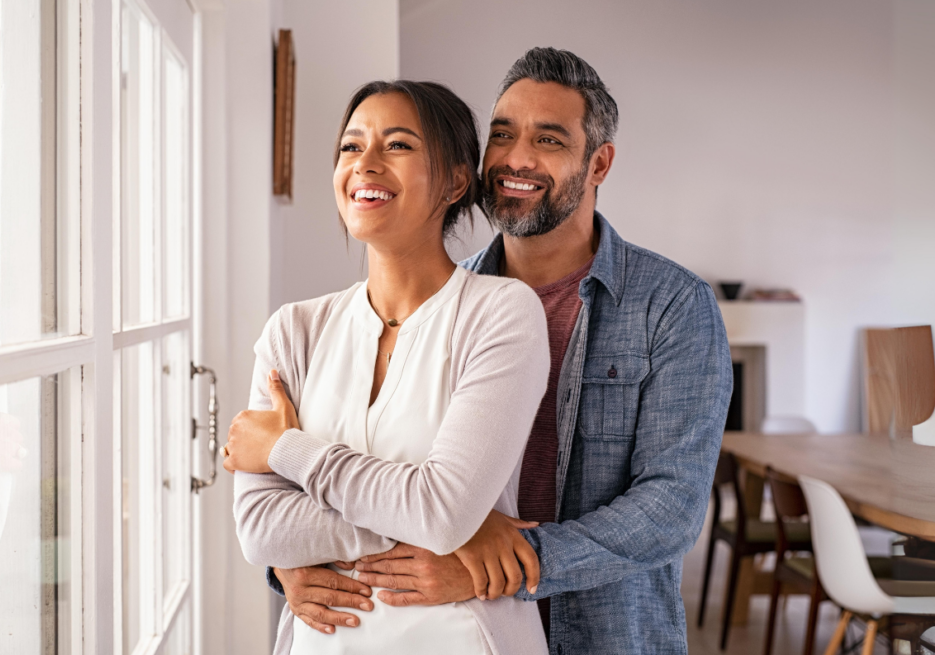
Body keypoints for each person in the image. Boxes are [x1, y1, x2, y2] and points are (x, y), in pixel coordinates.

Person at [275, 48, 733, 654]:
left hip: (606, 634)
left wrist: (509, 562)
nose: (517, 159)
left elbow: (669, 507)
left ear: (600, 163)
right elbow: (375, 467)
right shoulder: (438, 301)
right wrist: (289, 562)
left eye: (548, 139)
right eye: (501, 135)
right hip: (449, 631)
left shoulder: (671, 305)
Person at [223, 80, 553, 655]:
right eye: (351, 148)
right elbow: (260, 529)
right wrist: (447, 523)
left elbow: (443, 509)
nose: (365, 165)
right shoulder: (292, 331)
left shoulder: (502, 314)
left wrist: (285, 450)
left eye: (397, 146)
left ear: (453, 181)